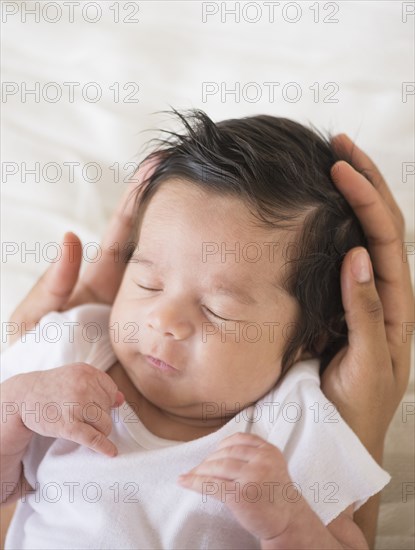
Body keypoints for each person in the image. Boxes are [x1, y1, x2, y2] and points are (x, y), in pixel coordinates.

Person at [0, 110, 413, 549]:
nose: (164, 321)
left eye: (218, 310)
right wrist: (14, 407)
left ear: (310, 339)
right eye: (148, 282)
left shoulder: (298, 418)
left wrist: (291, 527)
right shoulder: (74, 344)